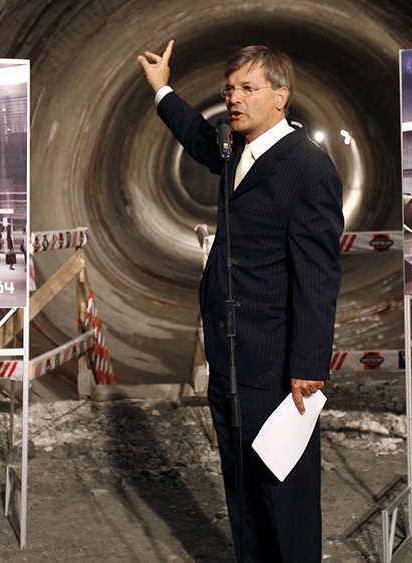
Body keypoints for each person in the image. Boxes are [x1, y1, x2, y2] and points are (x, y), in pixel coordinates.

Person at [138, 40, 343, 563]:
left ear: (281, 96)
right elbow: (197, 137)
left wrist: (307, 365)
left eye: (248, 88)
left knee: (284, 494)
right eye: (230, 88)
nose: (234, 98)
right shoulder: (233, 149)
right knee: (241, 488)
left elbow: (318, 279)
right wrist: (163, 89)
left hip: (276, 366)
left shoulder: (308, 169)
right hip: (230, 356)